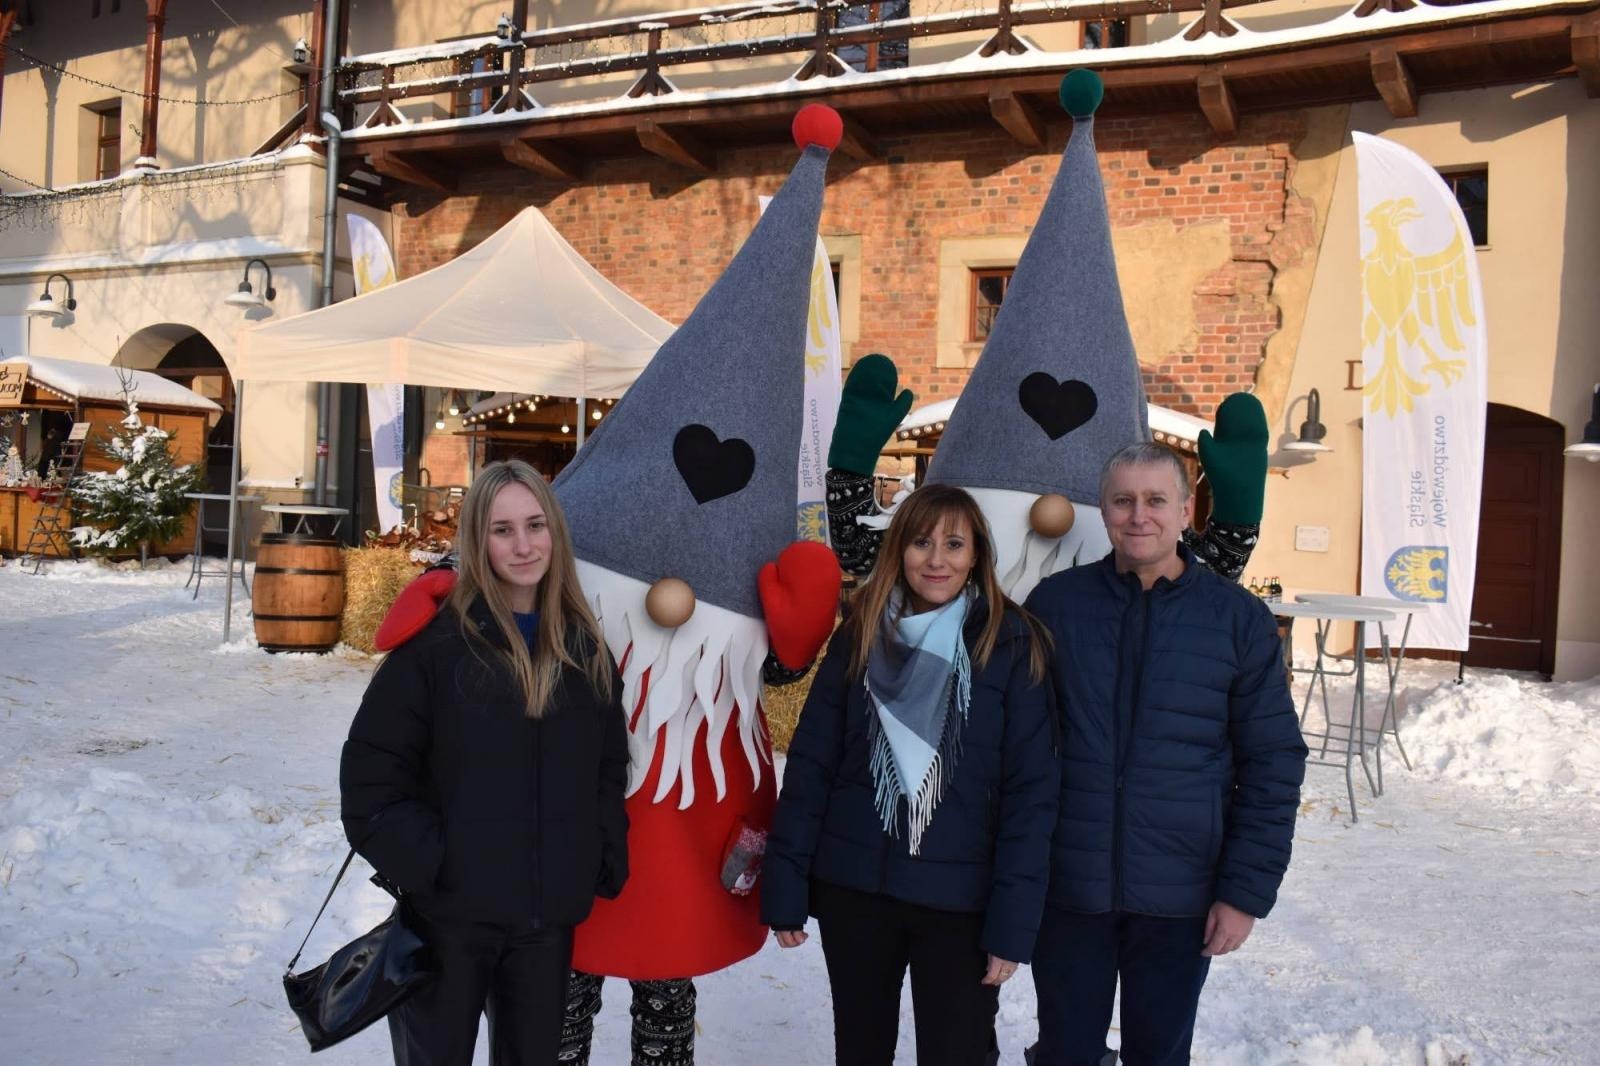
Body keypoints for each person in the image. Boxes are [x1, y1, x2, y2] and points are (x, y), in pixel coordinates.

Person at [1023, 443, 1307, 1066]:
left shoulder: (1236, 620)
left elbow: (1273, 763)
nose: (1138, 516)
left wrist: (1244, 893)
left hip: (1183, 894)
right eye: (1123, 500)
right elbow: (1016, 747)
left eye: (1156, 500)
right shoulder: (1056, 607)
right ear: (1102, 511)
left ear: (1185, 512)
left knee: (1159, 1054)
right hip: (1071, 889)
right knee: (1065, 1051)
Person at [340, 459, 630, 1066]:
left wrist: (598, 851)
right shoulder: (437, 648)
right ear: (477, 539)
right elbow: (371, 781)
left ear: (556, 530)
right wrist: (438, 867)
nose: (523, 546)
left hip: (544, 924)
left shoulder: (584, 648)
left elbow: (607, 764)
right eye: (502, 530)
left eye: (534, 525)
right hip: (451, 924)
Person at [764, 484, 1060, 1066]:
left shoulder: (1011, 643)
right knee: (860, 1049)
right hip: (858, 890)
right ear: (899, 549)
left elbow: (1031, 795)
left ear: (977, 555)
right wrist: (786, 883)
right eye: (921, 542)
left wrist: (1012, 924)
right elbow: (812, 766)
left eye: (954, 544)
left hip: (960, 904)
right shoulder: (858, 635)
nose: (937, 559)